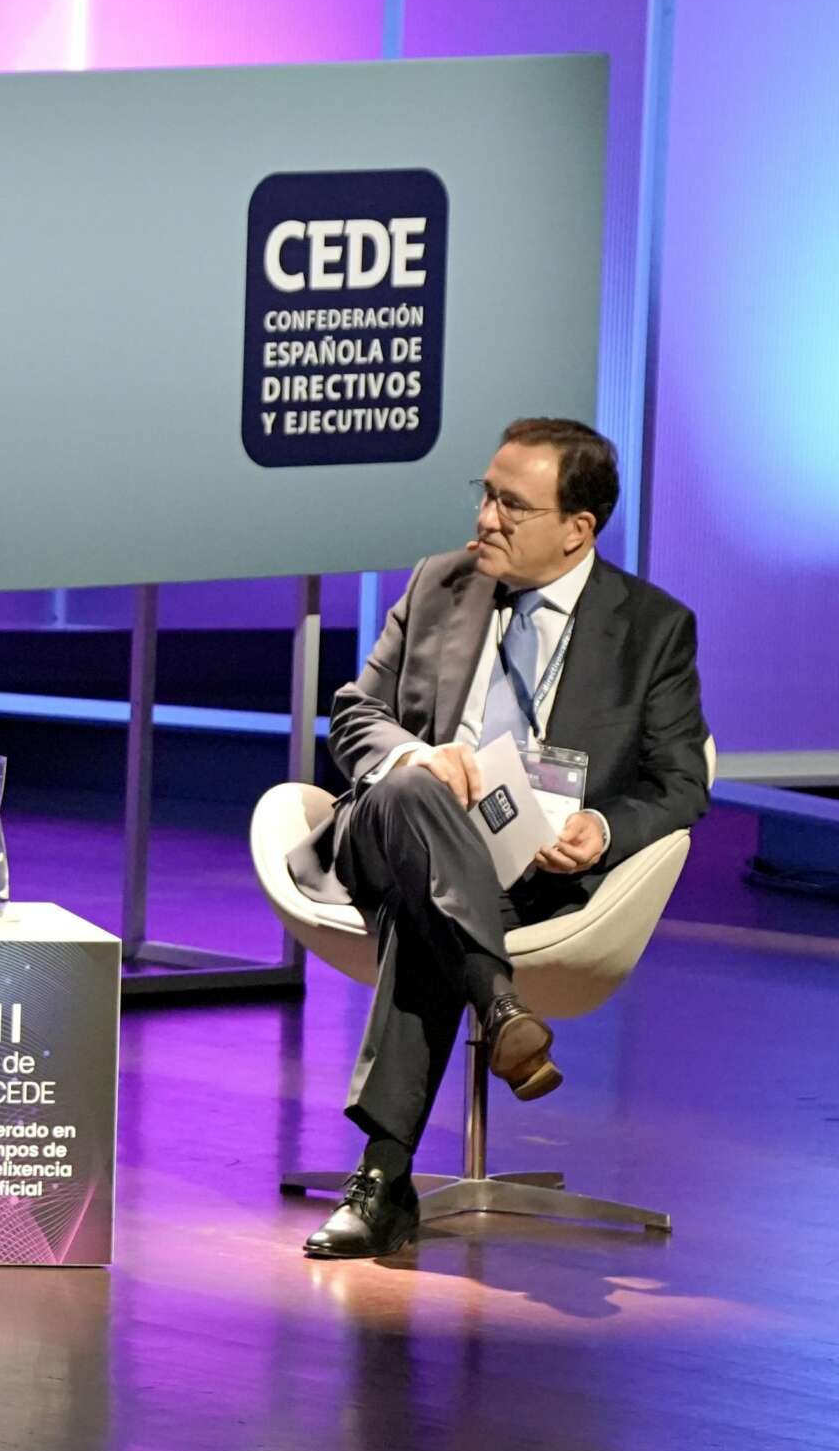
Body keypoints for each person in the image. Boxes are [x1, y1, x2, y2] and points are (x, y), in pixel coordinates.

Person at [291, 417, 708, 1259]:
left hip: (525, 874)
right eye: (485, 495)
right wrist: (416, 755)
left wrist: (601, 827)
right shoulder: (440, 583)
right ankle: (502, 1006)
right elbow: (353, 714)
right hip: (382, 834)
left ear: (576, 531)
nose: (485, 518)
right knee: (415, 796)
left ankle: (383, 1178)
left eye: (512, 506)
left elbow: (680, 782)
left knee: (435, 899)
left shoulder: (654, 628)